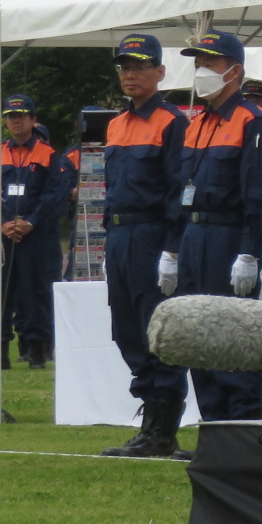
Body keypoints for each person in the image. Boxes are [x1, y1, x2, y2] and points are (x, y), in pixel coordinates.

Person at [160, 30, 262, 421]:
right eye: (198, 63)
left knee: (231, 341)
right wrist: (172, 250)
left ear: (235, 70)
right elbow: (180, 190)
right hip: (194, 235)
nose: (201, 70)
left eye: (210, 62)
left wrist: (249, 252)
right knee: (198, 339)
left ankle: (240, 434)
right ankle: (212, 432)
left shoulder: (252, 121)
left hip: (227, 237)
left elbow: (256, 195)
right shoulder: (196, 123)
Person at [98, 34, 191, 459]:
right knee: (127, 330)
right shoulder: (116, 124)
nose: (130, 74)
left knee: (159, 331)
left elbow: (177, 190)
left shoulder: (172, 122)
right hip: (119, 236)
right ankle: (150, 421)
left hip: (152, 234)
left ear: (160, 72)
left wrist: (172, 248)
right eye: (123, 67)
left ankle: (163, 429)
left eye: (139, 65)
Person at [0, 95, 68, 371]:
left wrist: (31, 222)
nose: (16, 120)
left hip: (37, 237)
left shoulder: (48, 154)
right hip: (4, 237)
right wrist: (3, 222)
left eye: (21, 115)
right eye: (11, 116)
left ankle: (37, 350)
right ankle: (1, 350)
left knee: (36, 293)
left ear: (33, 119)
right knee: (1, 294)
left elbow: (55, 195)